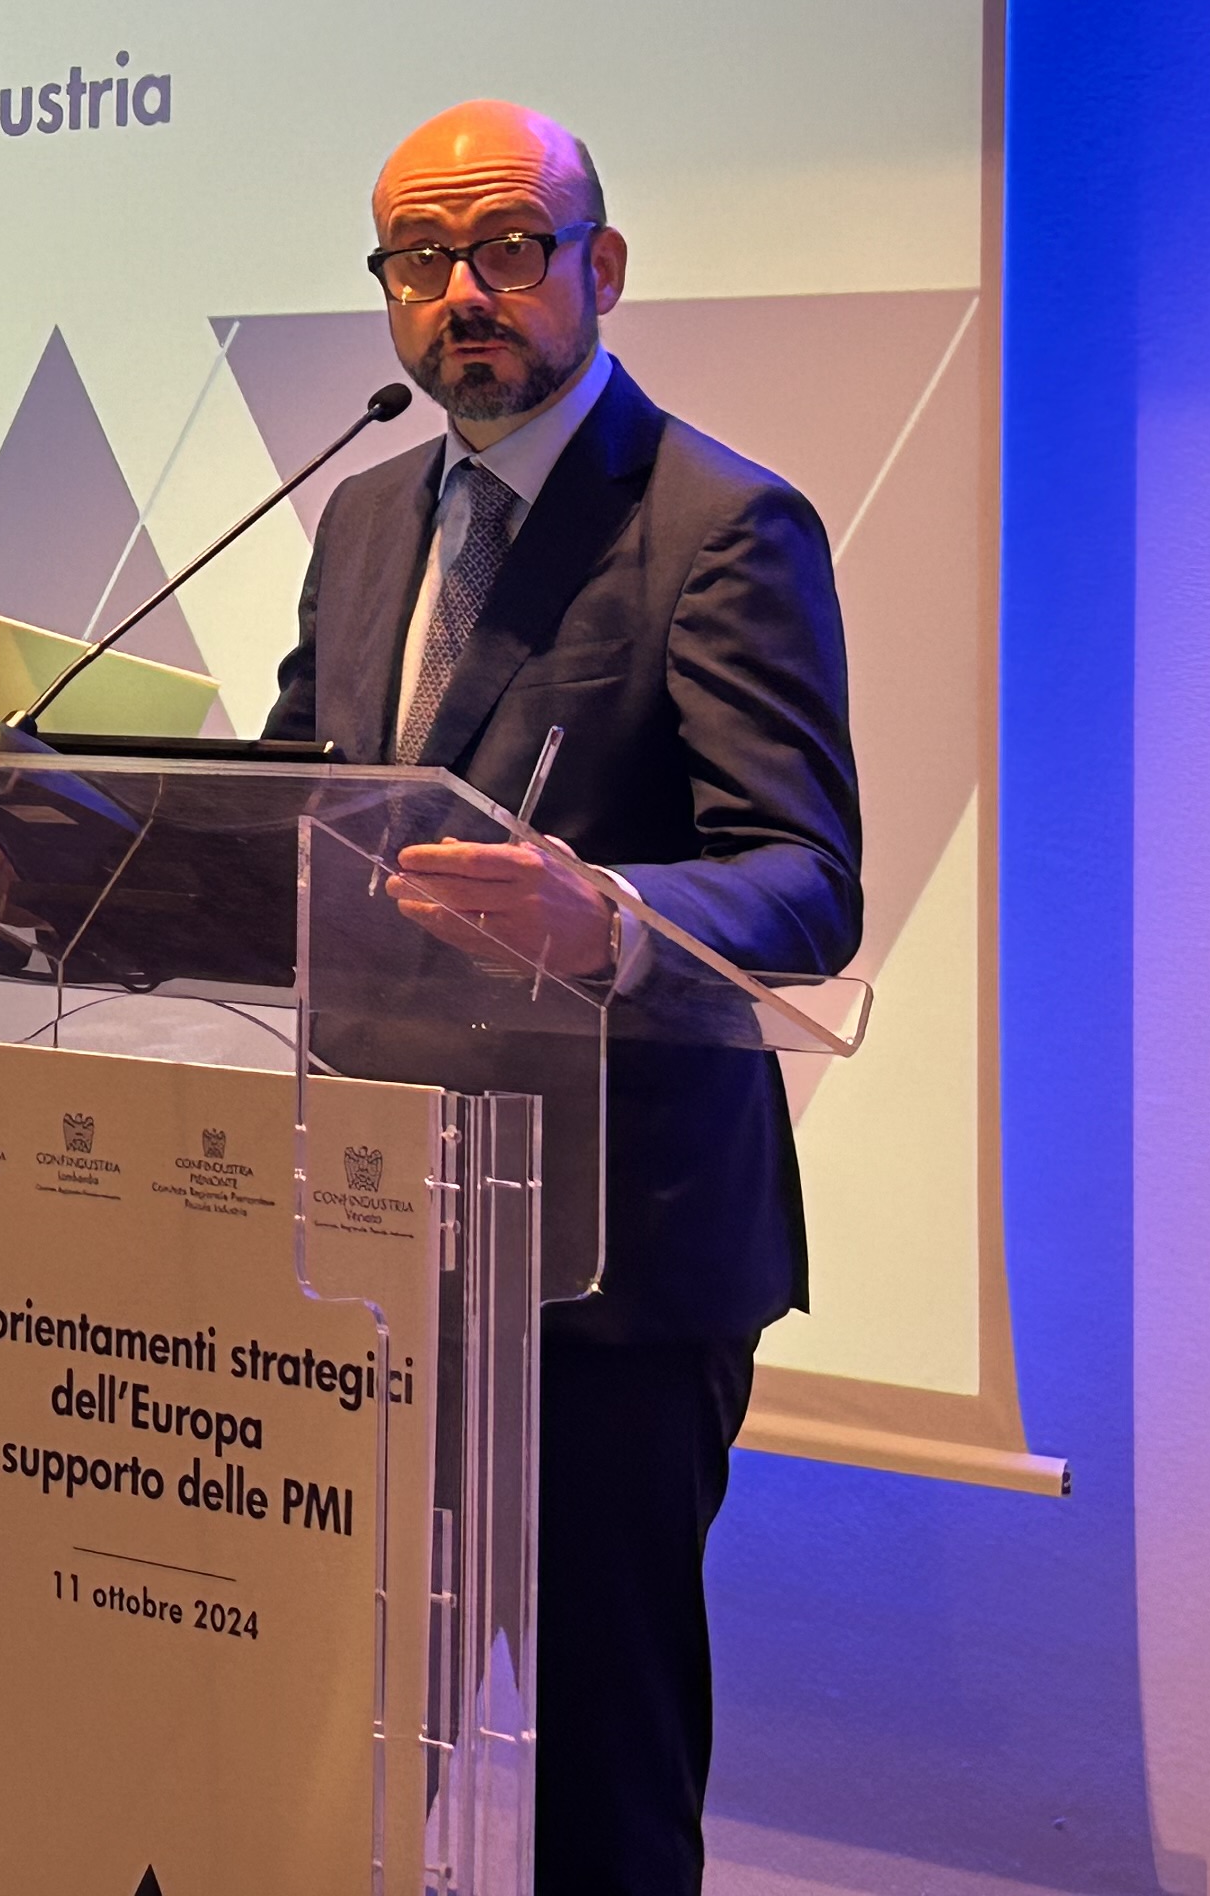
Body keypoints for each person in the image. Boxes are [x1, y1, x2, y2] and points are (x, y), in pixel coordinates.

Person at [264, 100, 860, 1896]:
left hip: (613, 1252)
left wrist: (602, 912)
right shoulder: (366, 513)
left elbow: (804, 875)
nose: (463, 291)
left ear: (598, 266)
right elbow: (301, 803)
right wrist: (74, 850)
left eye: (507, 247)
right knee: (334, 1737)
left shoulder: (717, 521)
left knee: (604, 1764)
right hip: (379, 1223)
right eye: (419, 258)